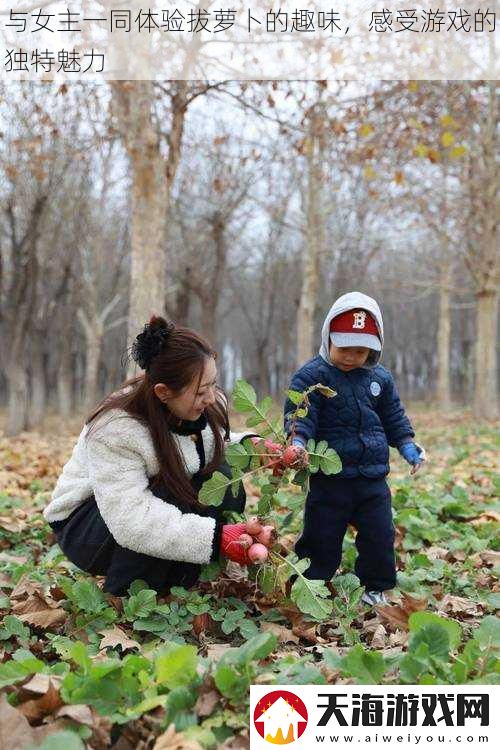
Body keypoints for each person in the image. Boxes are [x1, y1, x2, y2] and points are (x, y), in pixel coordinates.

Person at [43, 317, 267, 596]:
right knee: (173, 490)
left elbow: (207, 447)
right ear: (163, 392)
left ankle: (176, 580)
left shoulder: (197, 406)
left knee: (223, 480)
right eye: (201, 391)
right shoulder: (116, 429)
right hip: (88, 525)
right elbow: (132, 519)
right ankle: (128, 594)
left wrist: (254, 447)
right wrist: (217, 538)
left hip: (131, 508)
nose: (211, 397)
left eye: (213, 384)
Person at [284, 292, 425, 606]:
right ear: (328, 338)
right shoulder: (312, 377)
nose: (350, 357)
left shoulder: (380, 379)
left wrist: (406, 445)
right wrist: (297, 442)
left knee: (379, 536)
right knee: (321, 536)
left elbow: (394, 417)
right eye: (344, 348)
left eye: (360, 351)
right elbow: (300, 416)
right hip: (329, 477)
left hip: (372, 479)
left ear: (374, 349)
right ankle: (311, 586)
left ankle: (375, 587)